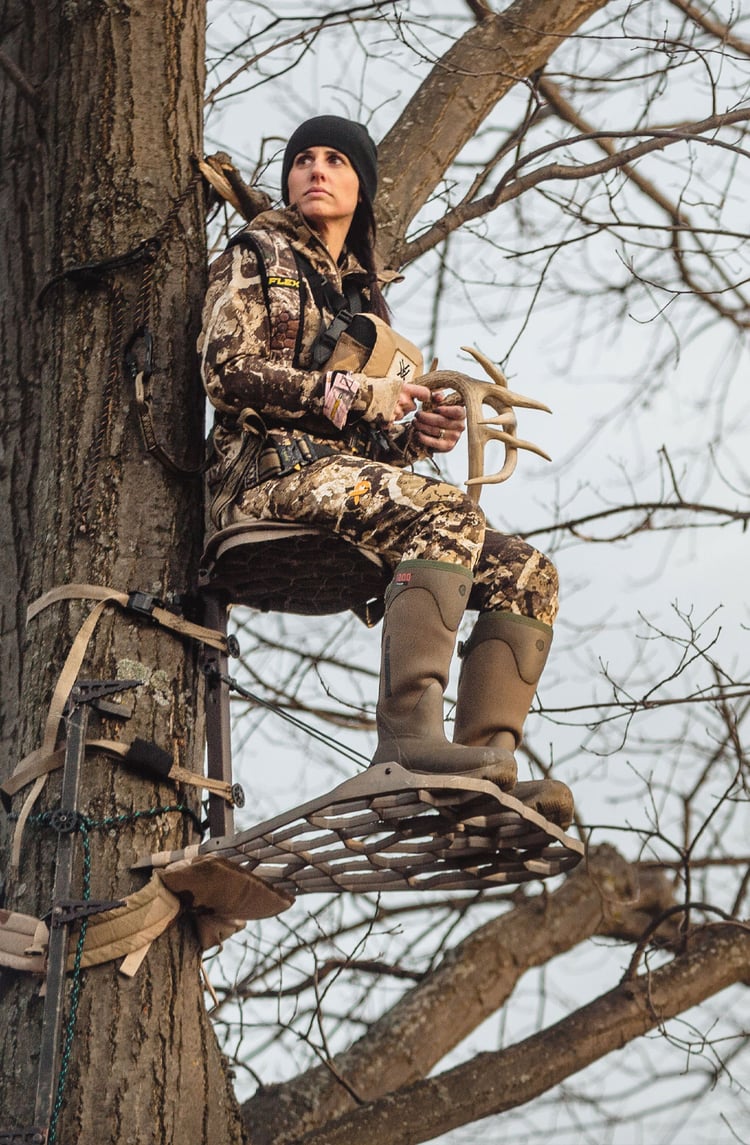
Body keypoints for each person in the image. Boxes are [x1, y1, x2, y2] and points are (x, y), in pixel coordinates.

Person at [199, 115, 572, 824]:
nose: (315, 169)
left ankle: (480, 775)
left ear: (361, 186)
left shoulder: (363, 298)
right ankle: (410, 742)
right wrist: (362, 393)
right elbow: (226, 372)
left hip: (330, 487)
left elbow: (362, 455)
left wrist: (411, 440)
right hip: (260, 485)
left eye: (335, 160)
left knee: (527, 572)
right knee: (449, 514)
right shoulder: (259, 254)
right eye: (302, 158)